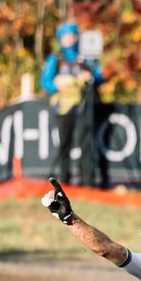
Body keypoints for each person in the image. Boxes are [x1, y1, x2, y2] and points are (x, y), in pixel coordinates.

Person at [41, 21, 104, 186]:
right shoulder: (56, 59)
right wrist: (58, 86)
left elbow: (99, 76)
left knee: (86, 144)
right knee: (64, 145)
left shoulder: (85, 59)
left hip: (83, 107)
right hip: (63, 108)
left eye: (71, 36)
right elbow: (45, 82)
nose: (69, 40)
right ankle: (64, 183)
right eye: (65, 36)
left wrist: (89, 76)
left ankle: (88, 183)